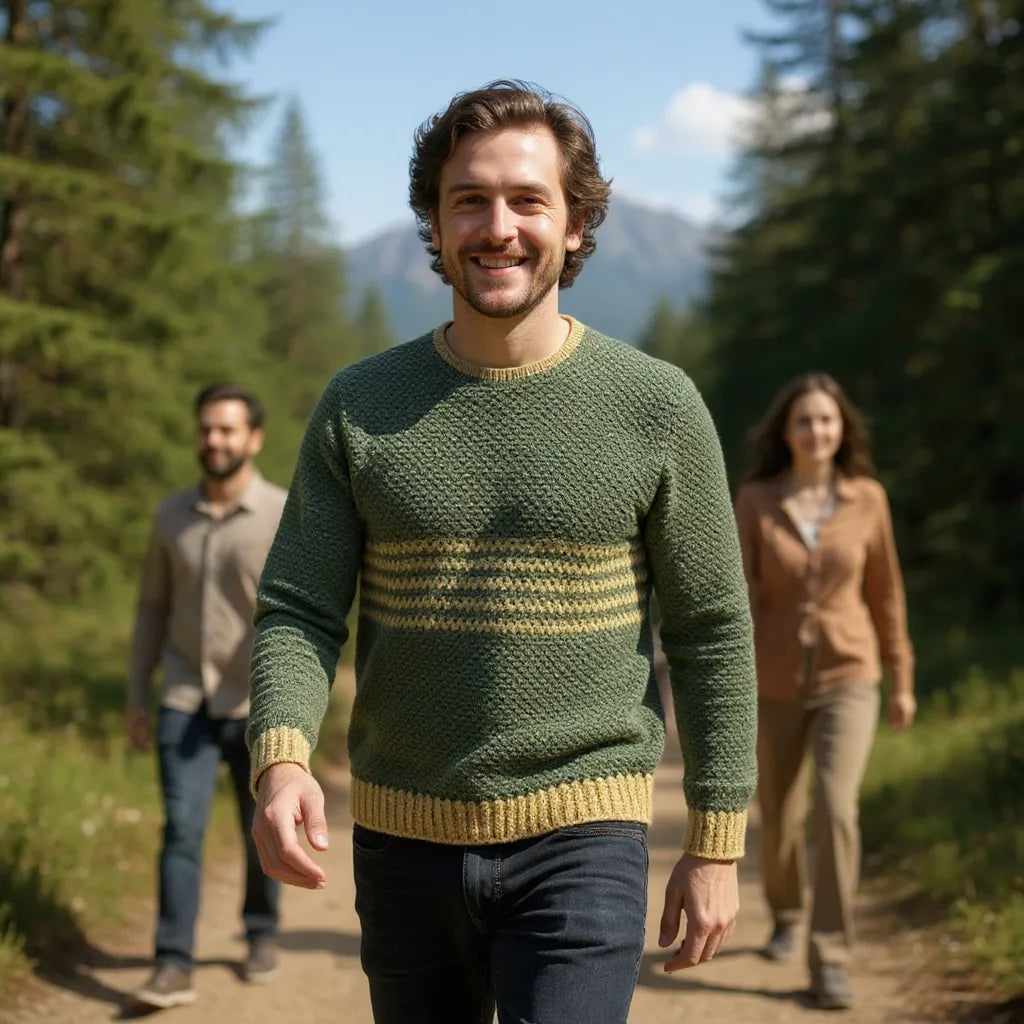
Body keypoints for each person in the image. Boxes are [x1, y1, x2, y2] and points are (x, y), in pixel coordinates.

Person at [247, 80, 757, 1024]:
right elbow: (298, 608)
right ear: (435, 224)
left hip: (586, 834)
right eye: (469, 200)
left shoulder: (657, 406)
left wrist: (716, 839)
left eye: (528, 200)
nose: (498, 228)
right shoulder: (359, 404)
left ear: (576, 222)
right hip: (401, 835)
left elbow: (711, 630)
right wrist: (281, 758)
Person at [733, 373, 916, 1011]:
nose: (817, 431)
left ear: (844, 430)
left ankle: (831, 957)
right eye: (805, 421)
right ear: (786, 431)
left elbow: (886, 593)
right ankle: (786, 913)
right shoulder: (755, 499)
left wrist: (902, 678)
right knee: (779, 815)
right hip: (773, 677)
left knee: (835, 809)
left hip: (851, 674)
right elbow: (738, 596)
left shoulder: (868, 499)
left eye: (828, 421)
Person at [126, 383, 285, 1009]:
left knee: (259, 827)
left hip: (257, 703)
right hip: (184, 696)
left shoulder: (280, 513)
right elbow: (151, 607)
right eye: (206, 429)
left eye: (227, 429)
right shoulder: (170, 516)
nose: (214, 440)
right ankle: (172, 963)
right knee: (181, 829)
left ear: (254, 439)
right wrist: (138, 694)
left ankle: (261, 931)